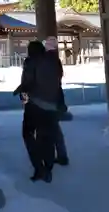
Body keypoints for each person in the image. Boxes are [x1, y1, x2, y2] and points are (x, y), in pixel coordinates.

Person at [13, 39, 62, 183]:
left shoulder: (31, 61)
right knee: (47, 136)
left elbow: (28, 82)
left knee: (28, 133)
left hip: (35, 104)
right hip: (52, 104)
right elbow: (58, 81)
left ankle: (39, 167)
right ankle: (48, 166)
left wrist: (21, 92)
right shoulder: (54, 61)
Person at [44, 36, 70, 166]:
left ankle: (58, 155)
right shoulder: (56, 60)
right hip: (56, 96)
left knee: (50, 128)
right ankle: (61, 154)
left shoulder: (47, 60)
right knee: (53, 127)